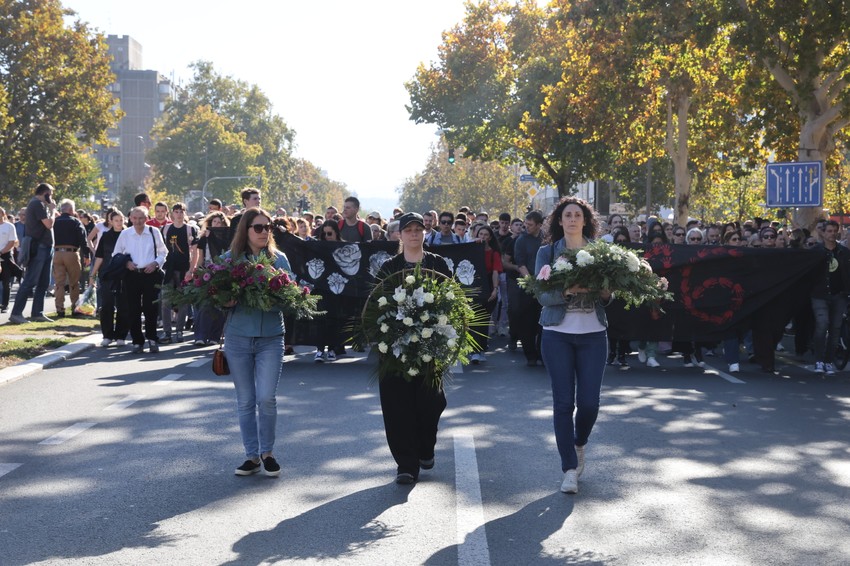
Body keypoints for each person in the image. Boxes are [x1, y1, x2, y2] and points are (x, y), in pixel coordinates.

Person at [535, 196, 612, 495]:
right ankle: (569, 468)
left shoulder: (600, 252)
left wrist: (605, 293)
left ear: (585, 220)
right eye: (566, 215)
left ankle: (579, 443)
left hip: (593, 335)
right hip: (557, 334)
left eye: (577, 215)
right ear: (559, 220)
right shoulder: (546, 253)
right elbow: (541, 295)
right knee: (564, 403)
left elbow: (609, 296)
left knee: (590, 403)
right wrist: (566, 291)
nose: (571, 220)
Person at [375, 212, 452, 485]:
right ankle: (406, 464)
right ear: (399, 235)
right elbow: (377, 304)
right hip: (395, 348)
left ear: (425, 233)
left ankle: (426, 447)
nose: (414, 234)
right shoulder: (389, 267)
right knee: (397, 405)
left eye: (418, 229)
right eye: (408, 229)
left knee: (431, 402)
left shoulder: (438, 264)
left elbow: (451, 300)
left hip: (431, 346)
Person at [223, 207, 293, 478]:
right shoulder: (229, 260)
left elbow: (292, 294)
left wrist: (279, 296)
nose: (265, 232)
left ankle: (268, 453)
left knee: (266, 398)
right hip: (238, 338)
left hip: (271, 338)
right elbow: (215, 295)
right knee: (245, 400)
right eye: (259, 227)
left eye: (268, 227)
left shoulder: (280, 260)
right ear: (246, 230)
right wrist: (224, 300)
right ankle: (251, 456)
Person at [113, 206, 168, 354]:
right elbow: (116, 253)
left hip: (150, 273)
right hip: (132, 274)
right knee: (133, 309)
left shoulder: (153, 232)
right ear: (130, 218)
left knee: (151, 308)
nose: (138, 221)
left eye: (141, 218)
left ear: (147, 218)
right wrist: (126, 263)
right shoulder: (125, 234)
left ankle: (152, 339)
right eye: (135, 218)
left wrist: (156, 263)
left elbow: (163, 252)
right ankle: (137, 341)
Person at [8, 183, 58, 324]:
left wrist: (50, 209)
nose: (52, 197)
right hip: (39, 247)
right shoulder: (37, 204)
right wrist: (52, 210)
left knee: (43, 282)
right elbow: (49, 224)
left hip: (47, 246)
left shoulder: (42, 206)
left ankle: (37, 313)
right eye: (51, 194)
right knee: (30, 281)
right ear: (46, 193)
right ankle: (16, 313)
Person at [810, 220, 850, 375]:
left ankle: (828, 361)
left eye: (835, 231)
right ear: (823, 233)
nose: (832, 234)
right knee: (822, 324)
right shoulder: (815, 251)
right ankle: (819, 360)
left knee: (835, 328)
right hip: (819, 295)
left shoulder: (844, 252)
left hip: (839, 295)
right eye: (829, 231)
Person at [159, 203, 199, 343]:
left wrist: (191, 270)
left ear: (185, 213)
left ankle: (180, 331)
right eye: (176, 212)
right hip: (168, 268)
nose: (179, 214)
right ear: (172, 214)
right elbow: (160, 249)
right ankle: (167, 332)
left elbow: (195, 252)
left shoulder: (190, 230)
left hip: (184, 269)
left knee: (183, 301)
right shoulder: (165, 229)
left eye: (181, 211)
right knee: (165, 300)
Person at [88, 210, 129, 347]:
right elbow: (99, 257)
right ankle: (107, 335)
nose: (119, 223)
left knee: (123, 305)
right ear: (110, 221)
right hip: (107, 273)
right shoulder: (105, 236)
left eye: (121, 220)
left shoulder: (129, 235)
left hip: (124, 274)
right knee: (106, 306)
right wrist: (92, 274)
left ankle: (121, 335)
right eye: (116, 220)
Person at [513, 210, 545, 366]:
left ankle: (542, 354)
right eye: (526, 224)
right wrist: (531, 283)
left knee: (543, 323)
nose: (526, 227)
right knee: (527, 322)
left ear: (539, 225)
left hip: (545, 286)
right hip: (528, 287)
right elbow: (521, 263)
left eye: (530, 225)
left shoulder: (546, 239)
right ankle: (530, 355)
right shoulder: (521, 240)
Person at [470, 226, 502, 364]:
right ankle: (475, 351)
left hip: (489, 287)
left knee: (484, 319)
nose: (483, 236)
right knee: (474, 319)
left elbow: (495, 271)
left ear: (490, 237)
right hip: (473, 287)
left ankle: (481, 348)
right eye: (480, 234)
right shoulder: (471, 250)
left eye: (486, 234)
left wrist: (495, 289)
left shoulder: (494, 253)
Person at [314, 220, 344, 362]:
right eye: (324, 233)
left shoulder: (344, 247)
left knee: (334, 319)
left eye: (329, 233)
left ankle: (332, 348)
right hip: (321, 288)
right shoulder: (317, 247)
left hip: (338, 288)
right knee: (320, 319)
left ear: (336, 233)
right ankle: (319, 350)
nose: (326, 236)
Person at [51, 199, 88, 318]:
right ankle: (74, 307)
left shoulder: (54, 221)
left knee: (59, 283)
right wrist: (86, 255)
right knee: (74, 282)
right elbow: (83, 240)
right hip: (71, 253)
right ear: (71, 210)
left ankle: (60, 309)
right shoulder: (76, 222)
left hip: (56, 253)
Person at [0, 207, 20, 313]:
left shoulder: (9, 226)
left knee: (6, 282)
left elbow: (12, 242)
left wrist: (2, 252)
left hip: (6, 256)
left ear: (3, 214)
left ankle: (5, 305)